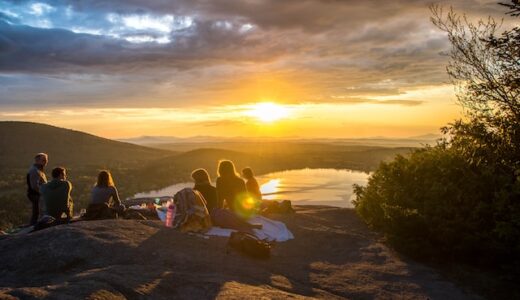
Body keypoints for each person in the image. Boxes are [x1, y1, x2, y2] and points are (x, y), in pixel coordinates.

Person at [193, 167, 261, 232]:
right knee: (225, 214)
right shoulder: (212, 190)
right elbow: (217, 204)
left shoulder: (194, 190)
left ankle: (248, 225)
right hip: (210, 215)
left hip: (206, 215)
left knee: (225, 214)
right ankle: (248, 226)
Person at [26, 153, 48, 225]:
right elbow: (34, 186)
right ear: (37, 160)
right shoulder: (34, 170)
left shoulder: (38, 170)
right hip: (36, 194)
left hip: (37, 194)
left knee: (37, 212)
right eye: (43, 160)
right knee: (39, 212)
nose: (46, 161)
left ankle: (33, 226)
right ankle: (34, 227)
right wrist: (42, 193)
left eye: (46, 160)